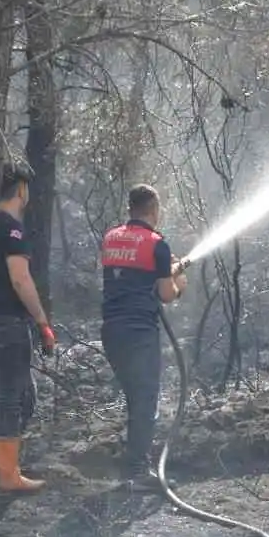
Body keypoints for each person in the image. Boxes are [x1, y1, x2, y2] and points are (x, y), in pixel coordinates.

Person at [99, 184, 187, 479]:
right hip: (140, 333)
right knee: (145, 399)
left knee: (134, 397)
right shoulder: (157, 244)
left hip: (111, 331)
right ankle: (137, 472)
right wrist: (178, 281)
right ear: (154, 210)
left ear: (130, 208)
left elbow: (130, 275)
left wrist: (164, 268)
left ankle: (135, 464)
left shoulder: (110, 238)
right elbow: (165, 294)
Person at [0, 162, 56, 493]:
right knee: (13, 400)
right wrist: (42, 321)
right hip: (7, 324)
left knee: (22, 398)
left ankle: (5, 466)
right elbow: (19, 277)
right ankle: (8, 476)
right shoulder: (11, 227)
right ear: (22, 190)